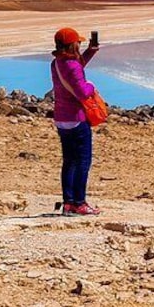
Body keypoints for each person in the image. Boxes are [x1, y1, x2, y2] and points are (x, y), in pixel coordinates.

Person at [51, 27, 101, 216]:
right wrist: (91, 86)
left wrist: (91, 51)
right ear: (72, 44)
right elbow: (81, 90)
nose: (79, 44)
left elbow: (75, 68)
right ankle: (80, 203)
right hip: (76, 118)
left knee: (69, 161)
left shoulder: (56, 63)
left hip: (61, 118)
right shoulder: (71, 65)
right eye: (78, 43)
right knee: (82, 161)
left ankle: (69, 203)